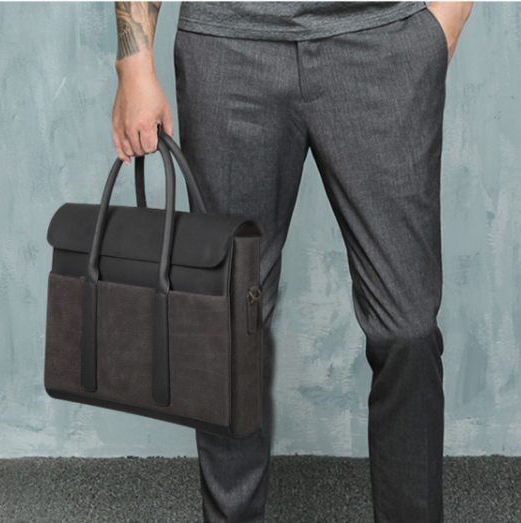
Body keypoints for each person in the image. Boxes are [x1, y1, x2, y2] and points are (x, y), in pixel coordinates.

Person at [112, 2, 473, 522]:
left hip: (379, 38)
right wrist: (134, 61)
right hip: (228, 46)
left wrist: (446, 19)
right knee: (229, 323)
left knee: (408, 328)